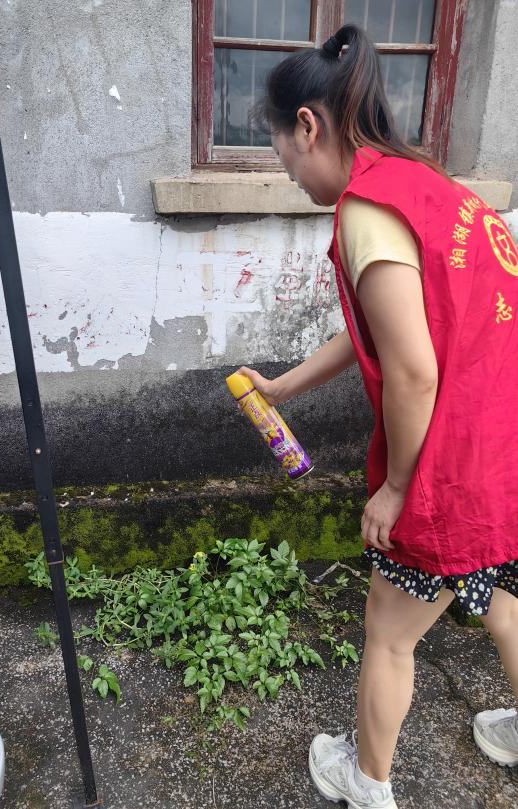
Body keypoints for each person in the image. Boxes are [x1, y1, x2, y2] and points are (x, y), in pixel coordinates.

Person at [236, 23, 518, 809]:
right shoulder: (425, 183)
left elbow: (414, 370)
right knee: (502, 601)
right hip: (507, 444)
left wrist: (397, 488)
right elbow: (381, 327)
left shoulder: (367, 208)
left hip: (454, 464)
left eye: (283, 157)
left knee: (390, 633)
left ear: (308, 126)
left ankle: (367, 784)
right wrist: (284, 387)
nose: (290, 175)